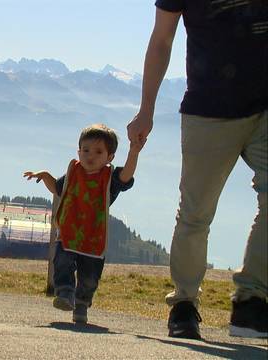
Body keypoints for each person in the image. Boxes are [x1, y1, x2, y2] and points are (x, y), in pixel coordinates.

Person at [128, 1, 267, 340]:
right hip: (208, 111)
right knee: (196, 213)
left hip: (265, 107)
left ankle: (250, 302)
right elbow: (162, 40)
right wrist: (146, 110)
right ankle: (184, 304)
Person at [24, 124, 142, 323]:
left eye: (98, 152)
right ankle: (65, 293)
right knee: (62, 262)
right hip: (70, 232)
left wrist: (134, 152)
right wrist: (45, 176)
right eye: (85, 150)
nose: (90, 156)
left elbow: (126, 176)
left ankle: (82, 304)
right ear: (78, 151)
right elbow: (58, 189)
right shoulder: (74, 172)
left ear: (110, 157)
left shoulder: (109, 179)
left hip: (93, 236)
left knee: (89, 277)